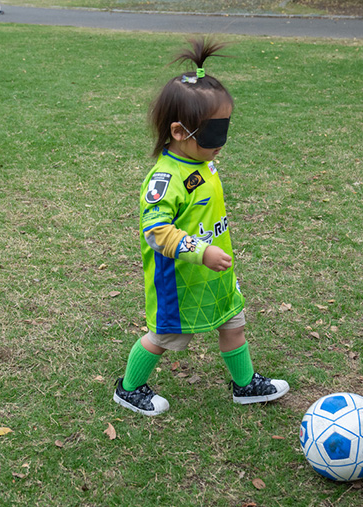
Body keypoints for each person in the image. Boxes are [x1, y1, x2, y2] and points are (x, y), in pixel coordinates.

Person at [113, 38, 289, 416]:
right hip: (179, 280)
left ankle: (245, 385)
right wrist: (200, 251)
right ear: (179, 132)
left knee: (233, 324)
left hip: (216, 274)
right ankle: (129, 388)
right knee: (162, 336)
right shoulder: (164, 179)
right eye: (213, 134)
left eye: (225, 129)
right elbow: (156, 232)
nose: (221, 143)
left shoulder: (201, 161)